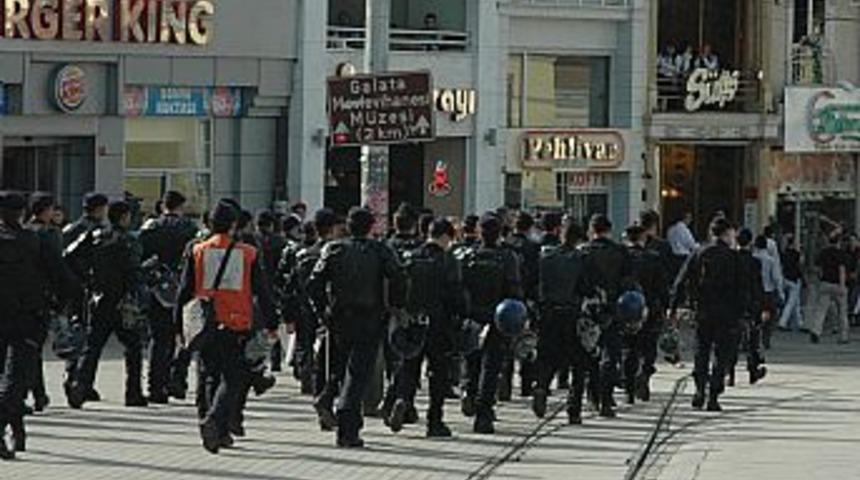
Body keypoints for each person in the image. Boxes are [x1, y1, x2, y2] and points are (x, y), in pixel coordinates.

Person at [173, 200, 279, 454]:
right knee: (233, 377)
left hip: (205, 323)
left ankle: (217, 431)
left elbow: (184, 290)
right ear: (234, 225)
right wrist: (272, 322)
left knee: (210, 375)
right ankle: (215, 420)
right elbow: (262, 292)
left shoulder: (197, 250)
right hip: (236, 321)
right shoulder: (248, 253)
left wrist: (178, 325)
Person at [307, 207, 406, 448]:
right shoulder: (380, 250)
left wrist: (323, 311)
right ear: (371, 226)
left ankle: (328, 398)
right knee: (357, 374)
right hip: (369, 318)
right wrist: (395, 306)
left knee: (340, 367)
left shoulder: (334, 248)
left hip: (339, 317)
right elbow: (399, 277)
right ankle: (347, 426)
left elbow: (314, 283)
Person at [0, 192, 78, 459]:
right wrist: (60, 306)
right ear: (22, 213)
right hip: (26, 320)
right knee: (14, 381)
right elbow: (64, 278)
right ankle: (8, 430)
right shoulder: (35, 241)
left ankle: (15, 432)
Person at [386, 218, 467, 437]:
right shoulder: (449, 261)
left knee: (409, 365)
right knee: (438, 372)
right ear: (445, 237)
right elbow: (456, 296)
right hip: (438, 324)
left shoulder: (411, 257)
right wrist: (460, 318)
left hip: (413, 321)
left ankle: (403, 399)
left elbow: (399, 288)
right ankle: (435, 420)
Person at [66, 201, 148, 409]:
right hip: (121, 300)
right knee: (133, 346)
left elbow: (69, 256)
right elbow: (133, 273)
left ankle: (80, 385)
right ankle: (133, 392)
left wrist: (88, 277)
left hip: (99, 298)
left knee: (93, 345)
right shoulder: (128, 241)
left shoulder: (94, 235)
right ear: (124, 217)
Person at [458, 213, 522, 434]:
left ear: (479, 232)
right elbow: (514, 289)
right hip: (499, 317)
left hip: (473, 315)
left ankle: (468, 389)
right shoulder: (507, 257)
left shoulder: (468, 255)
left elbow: (460, 286)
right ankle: (484, 414)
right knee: (492, 366)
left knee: (472, 359)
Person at [671, 218, 743, 411]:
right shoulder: (734, 257)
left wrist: (673, 306)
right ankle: (714, 395)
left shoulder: (699, 252)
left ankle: (700, 389)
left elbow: (681, 280)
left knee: (701, 350)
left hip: (702, 310)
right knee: (722, 353)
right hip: (727, 312)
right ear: (726, 234)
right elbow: (742, 288)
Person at [138, 191, 199, 402]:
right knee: (184, 335)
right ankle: (176, 379)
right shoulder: (190, 229)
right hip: (184, 287)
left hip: (158, 287)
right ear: (180, 206)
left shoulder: (151, 228)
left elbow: (140, 257)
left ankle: (156, 386)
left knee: (158, 338)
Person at [532, 219, 592, 425]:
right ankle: (573, 409)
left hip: (548, 313)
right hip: (571, 315)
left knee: (548, 356)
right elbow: (585, 287)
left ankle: (541, 387)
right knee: (578, 362)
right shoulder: (580, 259)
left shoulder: (545, 256)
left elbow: (536, 283)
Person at [579, 214, 632, 418]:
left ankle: (593, 394)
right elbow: (628, 281)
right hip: (613, 307)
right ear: (609, 230)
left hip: (589, 309)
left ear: (592, 231)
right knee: (611, 354)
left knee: (590, 352)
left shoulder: (583, 252)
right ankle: (607, 398)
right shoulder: (620, 251)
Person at [23, 193, 65, 412]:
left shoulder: (23, 232)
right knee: (33, 349)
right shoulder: (49, 234)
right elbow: (57, 269)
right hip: (40, 298)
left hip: (20, 298)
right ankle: (37, 394)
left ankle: (34, 393)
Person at [623, 225, 668, 405]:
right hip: (650, 307)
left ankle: (629, 388)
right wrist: (666, 306)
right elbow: (662, 286)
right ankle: (645, 374)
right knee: (649, 347)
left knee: (630, 349)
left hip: (627, 308)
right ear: (643, 238)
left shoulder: (623, 258)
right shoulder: (653, 258)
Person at [504, 212, 541, 397]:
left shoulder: (505, 245)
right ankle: (527, 383)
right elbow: (537, 276)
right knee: (527, 341)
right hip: (527, 298)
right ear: (529, 227)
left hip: (506, 299)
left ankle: (505, 383)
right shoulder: (533, 247)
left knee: (505, 341)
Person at [732, 229, 767, 386]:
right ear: (750, 242)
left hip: (733, 304)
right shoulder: (755, 262)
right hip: (751, 304)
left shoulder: (731, 259)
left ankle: (729, 372)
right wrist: (763, 305)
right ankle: (753, 370)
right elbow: (758, 286)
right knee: (753, 338)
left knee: (731, 339)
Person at [811, 235, 851, 344]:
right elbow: (841, 270)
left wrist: (820, 277)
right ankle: (843, 336)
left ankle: (816, 330)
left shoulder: (823, 253)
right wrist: (842, 286)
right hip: (838, 284)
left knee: (821, 310)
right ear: (838, 242)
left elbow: (817, 268)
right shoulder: (841, 254)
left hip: (825, 283)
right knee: (842, 312)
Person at [753, 235, 784, 350]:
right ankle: (766, 338)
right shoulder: (770, 260)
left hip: (755, 292)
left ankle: (754, 337)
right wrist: (780, 291)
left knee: (756, 316)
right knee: (771, 316)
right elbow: (776, 277)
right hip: (768, 291)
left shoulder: (752, 257)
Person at [779, 235, 804, 332]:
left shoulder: (784, 254)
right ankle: (783, 322)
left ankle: (798, 322)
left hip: (786, 278)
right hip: (795, 279)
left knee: (795, 301)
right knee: (791, 302)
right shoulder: (797, 254)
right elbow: (800, 266)